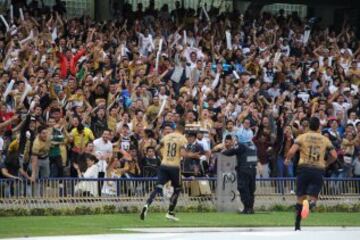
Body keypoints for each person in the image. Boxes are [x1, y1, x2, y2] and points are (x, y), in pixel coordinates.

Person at [285, 117, 337, 231]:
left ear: (308, 126)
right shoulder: (324, 139)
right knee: (313, 196)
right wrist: (326, 163)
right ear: (319, 126)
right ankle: (310, 203)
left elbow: (292, 151)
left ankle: (297, 225)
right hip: (318, 169)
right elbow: (334, 155)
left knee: (300, 197)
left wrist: (288, 159)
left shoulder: (302, 137)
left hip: (304, 168)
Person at [140, 123, 188, 221]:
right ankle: (170, 212)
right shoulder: (182, 138)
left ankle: (147, 205)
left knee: (158, 187)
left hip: (164, 165)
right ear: (183, 129)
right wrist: (193, 155)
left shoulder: (166, 137)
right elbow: (183, 154)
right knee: (177, 189)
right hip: (174, 167)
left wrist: (164, 155)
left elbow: (156, 149)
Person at [219, 134, 258, 214]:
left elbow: (231, 152)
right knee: (251, 190)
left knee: (243, 188)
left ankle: (247, 208)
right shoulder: (253, 146)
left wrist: (223, 152)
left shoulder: (240, 145)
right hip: (253, 169)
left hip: (244, 170)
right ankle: (250, 208)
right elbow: (254, 158)